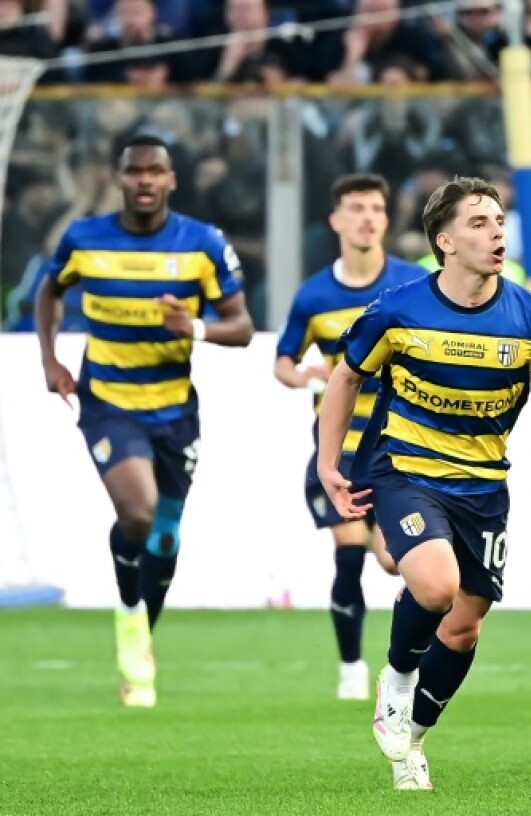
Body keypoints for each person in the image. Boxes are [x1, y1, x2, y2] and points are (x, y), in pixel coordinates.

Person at [317, 176, 531, 791]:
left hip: (485, 486)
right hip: (405, 471)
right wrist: (329, 465)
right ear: (445, 240)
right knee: (437, 588)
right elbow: (345, 378)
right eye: (479, 222)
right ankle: (397, 678)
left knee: (465, 625)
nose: (496, 232)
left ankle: (411, 739)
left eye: (499, 220)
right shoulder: (397, 309)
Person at [35, 133, 255, 707]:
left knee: (164, 534)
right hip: (107, 400)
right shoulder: (85, 239)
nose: (145, 181)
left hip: (175, 410)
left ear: (171, 179)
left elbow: (243, 326)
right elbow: (48, 293)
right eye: (135, 172)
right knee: (136, 513)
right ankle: (131, 616)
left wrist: (196, 328)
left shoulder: (202, 244)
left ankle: (140, 637)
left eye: (156, 171)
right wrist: (50, 358)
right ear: (119, 178)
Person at [274, 173, 429, 701]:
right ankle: (349, 669)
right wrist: (304, 376)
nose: (367, 217)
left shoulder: (412, 284)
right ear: (336, 220)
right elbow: (283, 362)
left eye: (376, 208)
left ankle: (406, 658)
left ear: (386, 220)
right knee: (347, 551)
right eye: (356, 208)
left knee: (394, 561)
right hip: (338, 454)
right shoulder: (314, 294)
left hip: (398, 453)